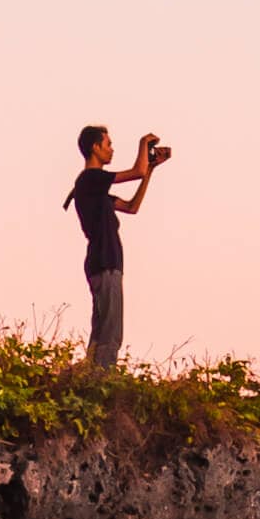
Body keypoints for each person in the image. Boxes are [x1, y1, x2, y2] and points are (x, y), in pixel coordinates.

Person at [64, 126, 171, 368]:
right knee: (110, 331)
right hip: (105, 261)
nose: (111, 150)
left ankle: (90, 376)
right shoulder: (90, 178)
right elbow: (136, 171)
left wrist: (150, 170)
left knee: (102, 327)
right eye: (108, 144)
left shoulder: (96, 190)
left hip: (103, 262)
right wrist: (144, 143)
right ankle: (103, 377)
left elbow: (132, 207)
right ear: (95, 147)